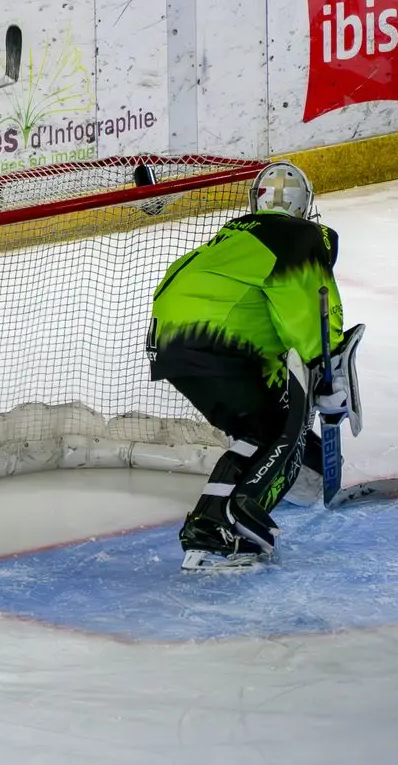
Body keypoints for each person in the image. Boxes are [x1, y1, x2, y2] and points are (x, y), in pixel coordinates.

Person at [148, 161, 356, 569]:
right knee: (272, 430)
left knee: (259, 427)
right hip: (216, 339)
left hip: (169, 340)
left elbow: (259, 317)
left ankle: (212, 518)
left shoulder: (237, 237)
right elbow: (304, 311)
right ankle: (224, 521)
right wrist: (326, 368)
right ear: (306, 206)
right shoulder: (301, 236)